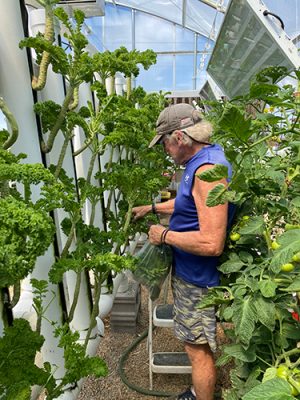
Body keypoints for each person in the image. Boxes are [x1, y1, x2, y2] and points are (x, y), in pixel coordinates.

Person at [132, 103, 235, 400]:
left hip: (199, 280)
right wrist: (152, 208)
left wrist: (164, 235)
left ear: (179, 137)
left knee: (197, 348)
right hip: (191, 273)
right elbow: (188, 203)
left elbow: (211, 243)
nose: (164, 150)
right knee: (194, 342)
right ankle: (195, 389)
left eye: (164, 143)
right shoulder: (200, 162)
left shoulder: (207, 171)